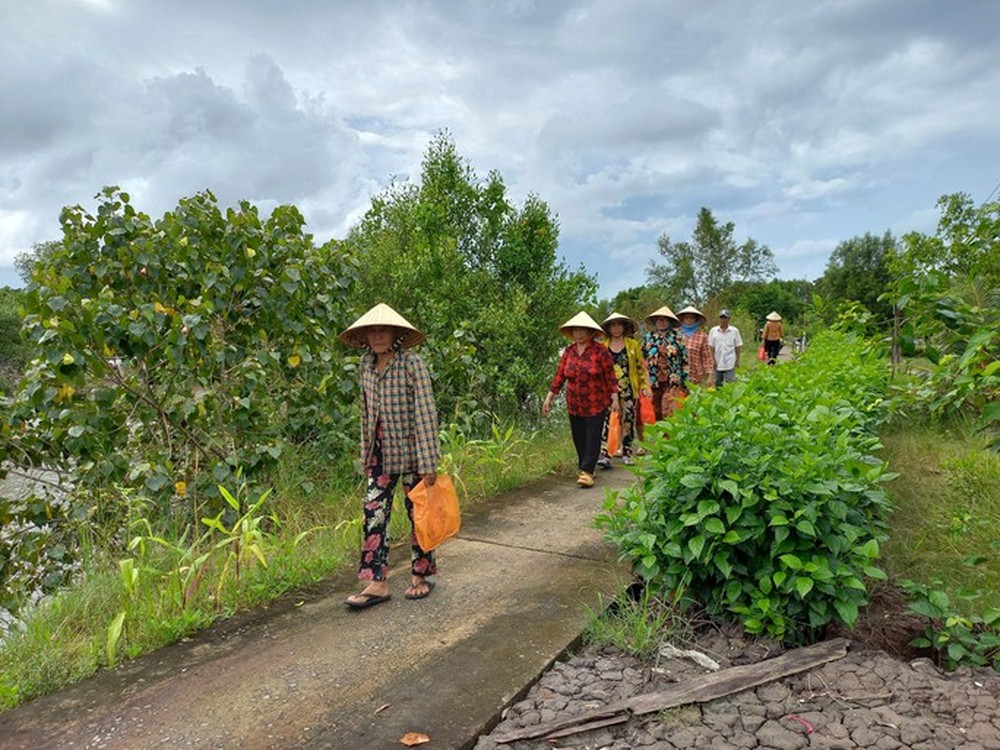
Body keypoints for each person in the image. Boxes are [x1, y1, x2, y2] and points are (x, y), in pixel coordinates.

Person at [338, 303, 441, 610]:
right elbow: (365, 413)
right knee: (373, 516)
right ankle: (377, 582)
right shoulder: (365, 365)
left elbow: (425, 413)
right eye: (372, 330)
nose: (378, 335)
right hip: (379, 456)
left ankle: (421, 576)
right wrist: (364, 453)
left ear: (396, 333)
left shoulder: (412, 364)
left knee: (418, 516)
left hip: (411, 455)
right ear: (365, 336)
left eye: (383, 330)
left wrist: (428, 462)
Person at [542, 311, 619, 488]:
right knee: (579, 437)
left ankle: (587, 471)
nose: (578, 333)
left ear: (590, 332)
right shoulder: (569, 352)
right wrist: (549, 398)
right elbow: (560, 376)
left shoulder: (600, 351)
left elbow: (610, 376)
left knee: (592, 436)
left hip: (596, 402)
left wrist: (614, 399)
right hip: (574, 403)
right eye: (575, 330)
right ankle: (584, 467)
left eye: (582, 330)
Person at [596, 313, 651, 468]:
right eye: (613, 325)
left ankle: (627, 452)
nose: (616, 328)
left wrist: (645, 386)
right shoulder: (603, 346)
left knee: (628, 421)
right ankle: (606, 454)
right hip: (608, 390)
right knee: (608, 421)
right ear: (608, 328)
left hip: (628, 389)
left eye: (619, 325)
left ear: (625, 327)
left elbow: (641, 367)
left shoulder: (632, 345)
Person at [641, 306, 688, 421]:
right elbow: (642, 361)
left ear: (670, 322)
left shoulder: (678, 338)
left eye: (665, 320)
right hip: (653, 380)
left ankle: (669, 438)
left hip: (672, 380)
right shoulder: (648, 338)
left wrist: (686, 383)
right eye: (659, 320)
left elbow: (685, 361)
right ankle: (658, 437)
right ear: (655, 321)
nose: (661, 322)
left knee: (669, 410)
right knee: (655, 410)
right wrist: (643, 383)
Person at [675, 305, 714, 390]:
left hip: (695, 376)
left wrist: (710, 376)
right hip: (677, 375)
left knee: (694, 400)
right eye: (686, 317)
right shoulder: (676, 333)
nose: (689, 320)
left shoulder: (702, 336)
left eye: (692, 318)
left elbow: (707, 357)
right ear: (682, 319)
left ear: (696, 320)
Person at [708, 309, 743, 386]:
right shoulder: (713, 331)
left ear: (729, 319)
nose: (723, 320)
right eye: (721, 318)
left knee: (730, 384)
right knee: (717, 383)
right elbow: (711, 347)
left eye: (725, 318)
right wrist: (713, 360)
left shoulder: (734, 331)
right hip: (718, 361)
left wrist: (737, 360)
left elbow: (737, 346)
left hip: (730, 361)